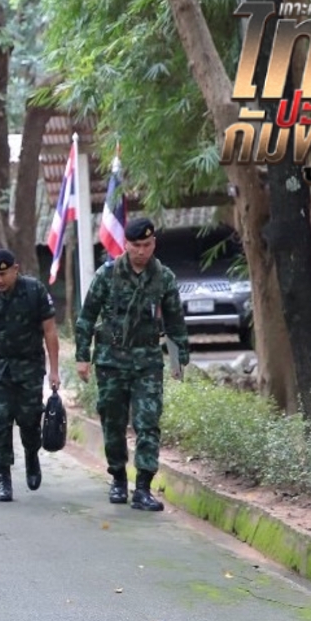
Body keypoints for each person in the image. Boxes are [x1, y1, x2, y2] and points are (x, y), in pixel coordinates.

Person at [75, 218, 189, 512]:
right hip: (111, 362)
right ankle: (117, 479)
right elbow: (87, 316)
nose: (141, 251)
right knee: (113, 422)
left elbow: (175, 321)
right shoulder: (108, 274)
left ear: (154, 244)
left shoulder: (163, 277)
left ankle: (142, 488)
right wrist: (81, 357)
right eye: (136, 245)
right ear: (125, 245)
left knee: (148, 423)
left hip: (147, 362)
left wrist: (178, 360)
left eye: (147, 245)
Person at [0, 249, 60, 502]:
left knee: (30, 419)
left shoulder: (34, 291)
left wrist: (54, 370)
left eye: (3, 274)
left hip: (30, 368)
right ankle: (3, 477)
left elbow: (50, 331)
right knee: (2, 420)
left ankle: (31, 456)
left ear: (16, 269)